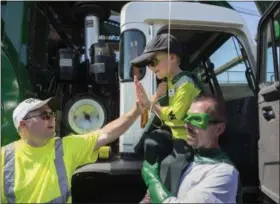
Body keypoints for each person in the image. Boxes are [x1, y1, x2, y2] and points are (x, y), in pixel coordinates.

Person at [1, 93, 144, 203]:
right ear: (23, 124)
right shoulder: (4, 157)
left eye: (52, 114)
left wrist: (136, 111)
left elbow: (107, 133)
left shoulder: (65, 147)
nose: (52, 118)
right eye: (44, 115)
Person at [131, 33, 201, 194]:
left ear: (172, 58)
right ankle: (152, 189)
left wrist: (150, 103)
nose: (151, 68)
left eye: (153, 62)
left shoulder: (186, 84)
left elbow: (174, 116)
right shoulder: (170, 81)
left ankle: (165, 196)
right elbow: (161, 106)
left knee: (171, 165)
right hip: (175, 134)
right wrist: (155, 97)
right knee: (151, 142)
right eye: (149, 65)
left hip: (189, 139)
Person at [141, 94, 239, 203]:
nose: (187, 126)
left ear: (219, 129)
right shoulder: (187, 158)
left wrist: (152, 179)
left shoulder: (224, 173)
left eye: (197, 120)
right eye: (186, 119)